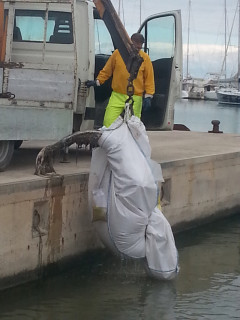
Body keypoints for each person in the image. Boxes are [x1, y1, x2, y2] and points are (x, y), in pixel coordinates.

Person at [86, 33, 155, 127]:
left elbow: (149, 78)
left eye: (140, 47)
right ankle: (110, 139)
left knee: (133, 125)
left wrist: (148, 96)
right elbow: (107, 70)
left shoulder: (145, 58)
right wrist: (98, 81)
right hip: (117, 94)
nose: (138, 49)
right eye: (136, 46)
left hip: (135, 96)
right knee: (108, 122)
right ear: (130, 42)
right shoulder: (117, 54)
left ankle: (130, 141)